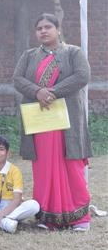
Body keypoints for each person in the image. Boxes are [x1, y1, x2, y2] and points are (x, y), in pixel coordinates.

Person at [13, 13, 92, 231]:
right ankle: (48, 218)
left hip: (67, 121)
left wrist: (53, 92)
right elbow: (17, 79)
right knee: (44, 168)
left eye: (48, 27)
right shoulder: (29, 56)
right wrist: (37, 91)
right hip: (40, 121)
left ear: (58, 29)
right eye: (39, 28)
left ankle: (79, 218)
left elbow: (82, 76)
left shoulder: (73, 52)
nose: (43, 31)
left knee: (71, 165)